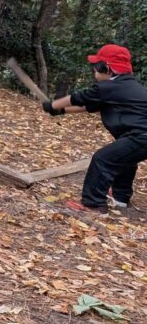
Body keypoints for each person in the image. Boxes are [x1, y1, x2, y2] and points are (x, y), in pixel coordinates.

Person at [42, 44, 147, 215]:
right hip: (140, 136)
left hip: (141, 136)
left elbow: (78, 98)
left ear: (108, 68)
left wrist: (52, 105)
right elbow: (88, 106)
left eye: (96, 67)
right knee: (124, 159)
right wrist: (60, 111)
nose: (94, 71)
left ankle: (93, 204)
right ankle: (120, 197)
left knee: (102, 159)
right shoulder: (122, 87)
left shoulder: (109, 87)